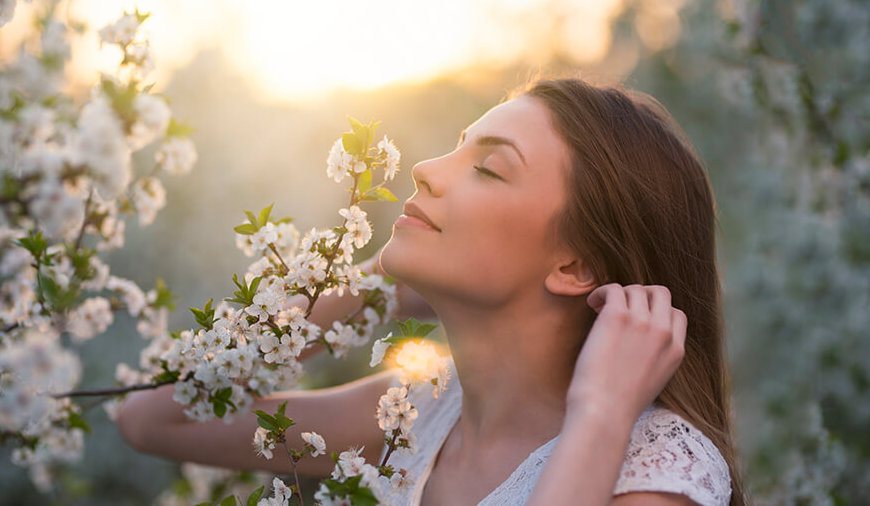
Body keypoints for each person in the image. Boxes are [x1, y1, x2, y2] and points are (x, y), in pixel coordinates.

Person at [116, 76, 750, 506]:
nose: (424, 169)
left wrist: (603, 413)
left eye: (488, 167)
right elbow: (150, 417)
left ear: (577, 264)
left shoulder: (653, 473)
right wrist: (376, 286)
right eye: (455, 146)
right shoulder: (415, 414)